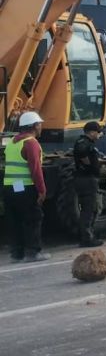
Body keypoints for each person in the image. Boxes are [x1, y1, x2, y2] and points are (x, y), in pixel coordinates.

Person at [3, 112, 51, 263]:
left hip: (9, 187)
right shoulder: (31, 143)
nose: (41, 126)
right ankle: (33, 252)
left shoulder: (12, 142)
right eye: (40, 124)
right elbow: (35, 170)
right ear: (35, 126)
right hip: (26, 187)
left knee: (14, 220)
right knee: (33, 218)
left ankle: (17, 254)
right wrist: (42, 190)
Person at [72, 121, 105, 247]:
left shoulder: (87, 143)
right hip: (86, 179)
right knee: (89, 209)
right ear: (92, 132)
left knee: (93, 208)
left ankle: (88, 235)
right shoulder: (83, 143)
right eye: (98, 132)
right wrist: (90, 165)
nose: (99, 135)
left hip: (87, 179)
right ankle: (87, 238)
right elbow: (82, 154)